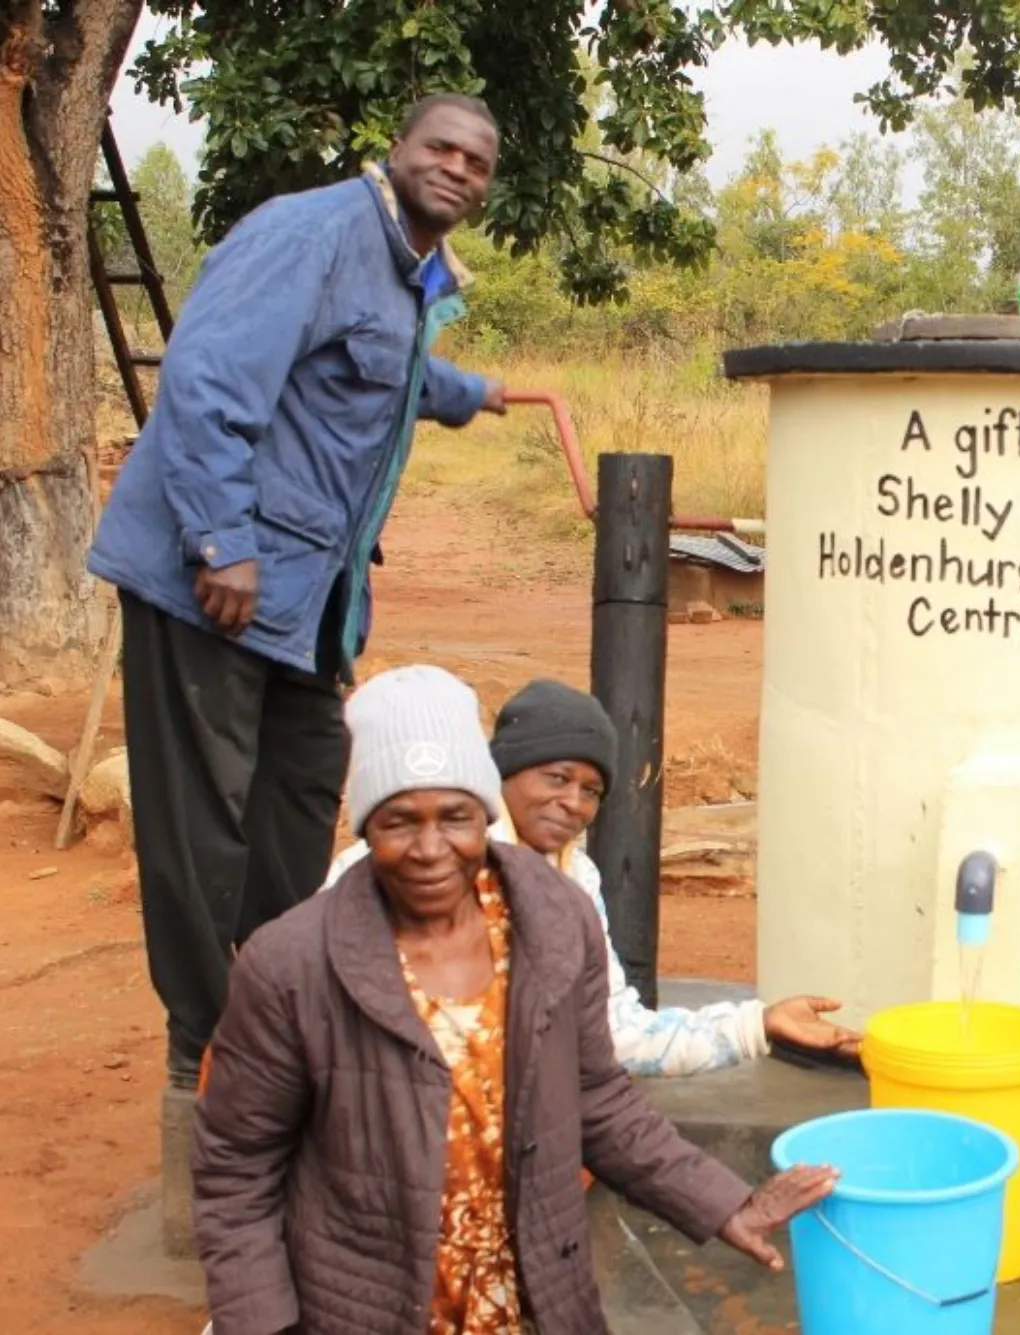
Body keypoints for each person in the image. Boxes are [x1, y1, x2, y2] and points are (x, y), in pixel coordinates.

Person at [193, 665, 838, 1334]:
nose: (431, 848)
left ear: (483, 810)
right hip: (367, 1304)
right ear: (365, 828)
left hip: (520, 1297)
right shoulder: (294, 962)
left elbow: (597, 1096)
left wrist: (726, 1204)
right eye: (398, 820)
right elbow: (237, 1168)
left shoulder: (559, 914)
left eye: (455, 816)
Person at [86, 92, 511, 1088]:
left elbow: (372, 373)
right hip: (215, 574)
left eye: (476, 162)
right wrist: (221, 540)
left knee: (304, 785)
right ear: (395, 151)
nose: (456, 168)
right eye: (439, 148)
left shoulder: (408, 276)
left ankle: (274, 1001)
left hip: (305, 598)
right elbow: (206, 381)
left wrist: (463, 393)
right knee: (200, 817)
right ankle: (204, 1039)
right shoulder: (314, 232)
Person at [320, 677, 861, 1075]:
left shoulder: (573, 879)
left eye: (591, 790)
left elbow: (613, 1033)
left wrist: (757, 1025)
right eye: (556, 777)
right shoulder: (398, 869)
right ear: (500, 773)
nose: (573, 803)